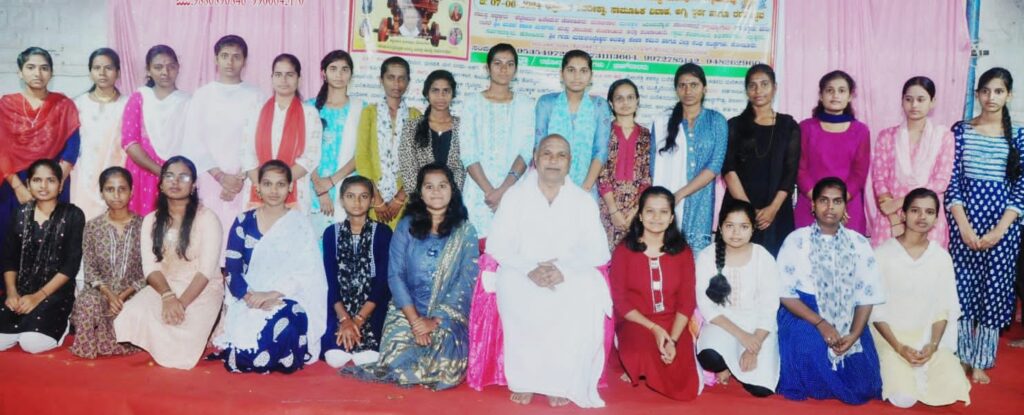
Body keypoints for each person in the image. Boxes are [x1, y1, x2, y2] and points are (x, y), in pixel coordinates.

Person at [490, 134, 611, 408]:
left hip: (568, 273)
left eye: (561, 155)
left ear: (570, 162)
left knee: (586, 289)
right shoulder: (515, 197)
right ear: (535, 158)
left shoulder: (582, 201)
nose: (553, 160)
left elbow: (598, 251)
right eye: (547, 153)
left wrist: (564, 270)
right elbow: (498, 245)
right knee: (511, 283)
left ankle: (561, 383)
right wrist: (529, 269)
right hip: (523, 271)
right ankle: (525, 381)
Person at [343, 164, 479, 390]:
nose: (436, 192)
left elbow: (466, 280)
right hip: (406, 312)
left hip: (446, 316)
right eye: (429, 186)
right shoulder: (406, 226)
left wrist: (434, 320)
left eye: (442, 186)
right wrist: (415, 321)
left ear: (452, 190)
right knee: (396, 359)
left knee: (446, 367)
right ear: (420, 193)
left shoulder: (465, 231)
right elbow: (395, 275)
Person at [211, 160, 327, 374]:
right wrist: (250, 297)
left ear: (290, 187)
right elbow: (232, 269)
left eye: (280, 184)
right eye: (267, 184)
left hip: (288, 297)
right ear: (258, 187)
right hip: (248, 297)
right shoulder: (243, 222)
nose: (274, 190)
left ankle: (273, 354)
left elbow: (308, 272)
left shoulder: (300, 224)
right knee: (246, 347)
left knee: (288, 322)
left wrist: (272, 294)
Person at [775, 177, 884, 404]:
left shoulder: (859, 243)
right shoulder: (797, 240)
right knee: (808, 350)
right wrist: (820, 323)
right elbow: (785, 293)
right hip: (804, 312)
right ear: (813, 205)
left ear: (845, 205)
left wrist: (854, 334)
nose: (830, 207)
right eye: (824, 200)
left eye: (837, 201)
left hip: (848, 315)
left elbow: (867, 295)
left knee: (865, 383)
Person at [946, 67, 1023, 383]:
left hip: (1003, 227)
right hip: (964, 222)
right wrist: (963, 226)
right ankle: (962, 356)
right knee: (962, 289)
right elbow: (951, 181)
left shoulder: (1019, 135)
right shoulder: (961, 131)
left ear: (1009, 95)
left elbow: (1021, 189)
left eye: (999, 91)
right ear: (977, 94)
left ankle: (982, 360)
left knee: (995, 290)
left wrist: (1000, 230)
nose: (991, 97)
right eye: (986, 90)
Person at [113, 156, 224, 370]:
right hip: (165, 286)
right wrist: (168, 296)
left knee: (180, 344)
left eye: (184, 177)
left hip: (202, 289)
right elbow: (150, 268)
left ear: (193, 185)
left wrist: (180, 304)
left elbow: (206, 271)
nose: (175, 182)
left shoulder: (207, 218)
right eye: (169, 176)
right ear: (161, 184)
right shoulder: (151, 220)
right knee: (130, 314)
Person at [870, 188, 971, 408]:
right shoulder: (881, 254)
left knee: (952, 388)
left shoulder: (941, 258)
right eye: (915, 210)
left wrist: (932, 346)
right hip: (891, 340)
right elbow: (874, 312)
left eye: (929, 212)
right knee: (903, 399)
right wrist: (899, 347)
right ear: (903, 214)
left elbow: (944, 308)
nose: (922, 217)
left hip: (926, 340)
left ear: (936, 218)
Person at [610, 186, 699, 401]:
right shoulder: (624, 250)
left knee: (683, 384)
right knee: (642, 351)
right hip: (637, 322)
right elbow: (620, 301)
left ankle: (647, 364)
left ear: (671, 218)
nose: (656, 218)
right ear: (640, 216)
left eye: (663, 212)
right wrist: (654, 328)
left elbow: (687, 301)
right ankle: (633, 361)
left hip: (673, 322)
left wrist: (673, 340)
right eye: (650, 211)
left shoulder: (683, 252)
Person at [181, 35, 266, 253]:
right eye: (225, 56)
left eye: (236, 56)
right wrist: (220, 177)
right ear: (216, 59)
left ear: (245, 61)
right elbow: (193, 140)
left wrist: (239, 178)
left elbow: (262, 140)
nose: (230, 62)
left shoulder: (257, 96)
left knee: (240, 242)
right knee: (209, 243)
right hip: (210, 180)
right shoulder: (202, 95)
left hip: (245, 181)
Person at [695, 200, 780, 397]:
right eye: (729, 226)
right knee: (709, 357)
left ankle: (738, 366)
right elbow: (706, 306)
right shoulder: (707, 256)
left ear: (753, 229)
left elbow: (769, 307)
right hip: (723, 324)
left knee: (760, 390)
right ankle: (725, 366)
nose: (736, 233)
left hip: (758, 327)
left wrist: (753, 346)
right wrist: (743, 337)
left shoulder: (763, 257)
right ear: (720, 227)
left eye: (743, 227)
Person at [0, 47, 80, 253]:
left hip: (53, 181)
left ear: (51, 73)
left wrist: (53, 184)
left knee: (52, 243)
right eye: (30, 67)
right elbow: (2, 150)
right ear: (20, 72)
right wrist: (18, 187)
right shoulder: (6, 105)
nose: (38, 73)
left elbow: (72, 148)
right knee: (10, 242)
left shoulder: (63, 105)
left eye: (44, 68)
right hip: (15, 182)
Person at [0, 160, 84, 353]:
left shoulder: (73, 215)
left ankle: (64, 320)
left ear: (61, 185)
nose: (43, 186)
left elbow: (71, 265)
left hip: (55, 293)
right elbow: (9, 259)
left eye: (50, 180)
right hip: (21, 292)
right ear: (28, 184)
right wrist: (11, 293)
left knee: (32, 344)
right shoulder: (19, 213)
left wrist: (38, 297)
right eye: (37, 180)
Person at [723, 63, 800, 255]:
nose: (758, 91)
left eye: (764, 84)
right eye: (752, 85)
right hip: (739, 208)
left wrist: (773, 209)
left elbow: (790, 173)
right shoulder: (734, 126)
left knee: (774, 262)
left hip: (777, 209)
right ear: (746, 90)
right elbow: (729, 170)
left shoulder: (788, 126)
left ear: (775, 88)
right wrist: (748, 211)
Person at [459, 43, 533, 243]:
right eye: (498, 63)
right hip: (479, 193)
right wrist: (490, 192)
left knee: (511, 249)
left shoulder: (526, 104)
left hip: (514, 190)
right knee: (476, 251)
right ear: (488, 67)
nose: (503, 69)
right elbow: (468, 152)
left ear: (515, 69)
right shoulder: (472, 102)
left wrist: (503, 191)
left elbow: (526, 151)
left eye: (510, 64)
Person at [651, 63, 728, 251]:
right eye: (682, 85)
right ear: (676, 90)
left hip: (702, 203)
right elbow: (654, 167)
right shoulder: (662, 122)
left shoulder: (716, 120)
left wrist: (680, 194)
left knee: (698, 259)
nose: (688, 91)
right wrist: (667, 199)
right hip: (667, 201)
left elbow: (715, 166)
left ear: (704, 88)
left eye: (694, 85)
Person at [870, 77, 954, 248]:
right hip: (891, 219)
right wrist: (895, 220)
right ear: (902, 102)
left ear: (932, 102)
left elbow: (941, 182)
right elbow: (879, 180)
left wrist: (901, 202)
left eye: (921, 99)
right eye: (909, 99)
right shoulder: (887, 136)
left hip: (927, 218)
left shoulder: (943, 137)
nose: (914, 105)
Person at [69, 167, 145, 358]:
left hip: (135, 292)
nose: (116, 195)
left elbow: (150, 270)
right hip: (102, 291)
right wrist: (110, 296)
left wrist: (123, 296)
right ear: (102, 193)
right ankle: (96, 343)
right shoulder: (92, 227)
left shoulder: (145, 226)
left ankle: (110, 339)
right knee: (87, 302)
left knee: (141, 308)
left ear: (131, 191)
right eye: (110, 189)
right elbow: (90, 269)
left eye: (122, 189)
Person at [320, 175, 392, 368]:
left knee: (368, 358)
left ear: (372, 200)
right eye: (350, 196)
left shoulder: (383, 232)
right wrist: (344, 319)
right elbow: (330, 280)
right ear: (342, 200)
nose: (357, 202)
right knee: (334, 358)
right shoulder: (331, 233)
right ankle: (343, 332)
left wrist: (358, 320)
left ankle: (363, 335)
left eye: (363, 196)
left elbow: (382, 282)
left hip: (372, 306)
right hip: (339, 305)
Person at [242, 54, 322, 214]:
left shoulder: (309, 113)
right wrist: (264, 185)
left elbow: (311, 157)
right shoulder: (256, 110)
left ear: (299, 79)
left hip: (295, 191)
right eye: (278, 74)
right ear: (272, 78)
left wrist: (279, 184)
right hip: (258, 189)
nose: (283, 80)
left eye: (289, 74)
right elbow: (247, 153)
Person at [795, 70, 871, 235]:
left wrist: (838, 202)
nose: (835, 95)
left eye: (841, 91)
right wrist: (819, 201)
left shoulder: (861, 131)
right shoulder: (806, 128)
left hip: (848, 206)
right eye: (830, 90)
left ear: (850, 96)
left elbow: (859, 173)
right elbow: (800, 170)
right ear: (821, 96)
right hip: (811, 203)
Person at [121, 45, 190, 216]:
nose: (165, 72)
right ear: (148, 70)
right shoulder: (140, 97)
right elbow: (130, 142)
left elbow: (193, 142)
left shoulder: (188, 102)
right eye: (158, 67)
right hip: (142, 171)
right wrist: (160, 172)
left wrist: (171, 175)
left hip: (176, 176)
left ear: (178, 68)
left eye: (171, 66)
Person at [355, 56, 421, 229]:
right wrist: (376, 198)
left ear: (408, 82)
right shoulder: (369, 113)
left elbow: (419, 160)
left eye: (402, 78)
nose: (396, 84)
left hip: (406, 201)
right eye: (391, 77)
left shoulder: (415, 115)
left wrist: (400, 198)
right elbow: (362, 157)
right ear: (381, 80)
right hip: (373, 200)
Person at [534, 50, 612, 192]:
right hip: (548, 187)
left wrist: (584, 190)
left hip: (586, 188)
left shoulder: (600, 106)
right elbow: (539, 148)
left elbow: (600, 151)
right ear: (561, 74)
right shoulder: (546, 103)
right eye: (571, 70)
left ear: (591, 75)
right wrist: (550, 189)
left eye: (583, 71)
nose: (577, 76)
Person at [309, 50, 364, 231]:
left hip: (348, 187)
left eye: (344, 69)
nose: (339, 74)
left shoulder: (361, 108)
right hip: (313, 188)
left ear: (351, 74)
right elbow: (302, 151)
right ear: (323, 73)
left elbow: (362, 153)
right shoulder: (309, 107)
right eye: (333, 69)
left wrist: (331, 181)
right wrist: (320, 188)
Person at [72, 48, 130, 221]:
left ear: (118, 72)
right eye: (97, 68)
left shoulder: (128, 104)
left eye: (108, 68)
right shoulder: (78, 104)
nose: (102, 73)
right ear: (90, 72)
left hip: (117, 173)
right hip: (84, 176)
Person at [598, 79, 652, 250]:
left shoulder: (646, 135)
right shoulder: (603, 131)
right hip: (607, 204)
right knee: (604, 254)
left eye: (630, 97)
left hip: (636, 208)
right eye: (619, 98)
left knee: (631, 255)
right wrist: (613, 210)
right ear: (611, 103)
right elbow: (601, 172)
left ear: (637, 101)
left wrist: (636, 210)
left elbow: (646, 175)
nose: (625, 103)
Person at [399, 70, 465, 190]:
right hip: (420, 198)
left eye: (446, 91)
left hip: (455, 197)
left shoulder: (463, 127)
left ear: (453, 94)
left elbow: (464, 168)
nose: (441, 96)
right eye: (435, 90)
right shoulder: (411, 127)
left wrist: (449, 196)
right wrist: (425, 197)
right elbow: (408, 169)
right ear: (426, 94)